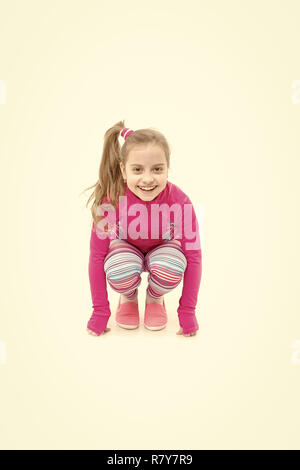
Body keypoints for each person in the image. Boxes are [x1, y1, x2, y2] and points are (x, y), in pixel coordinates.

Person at [83, 120, 202, 338]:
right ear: (123, 170)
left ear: (168, 168)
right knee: (120, 268)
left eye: (157, 169)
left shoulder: (181, 201)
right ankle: (128, 297)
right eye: (137, 169)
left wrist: (187, 313)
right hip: (126, 251)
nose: (147, 179)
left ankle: (154, 297)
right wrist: (100, 312)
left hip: (162, 250)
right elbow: (97, 255)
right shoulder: (109, 200)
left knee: (173, 265)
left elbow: (193, 257)